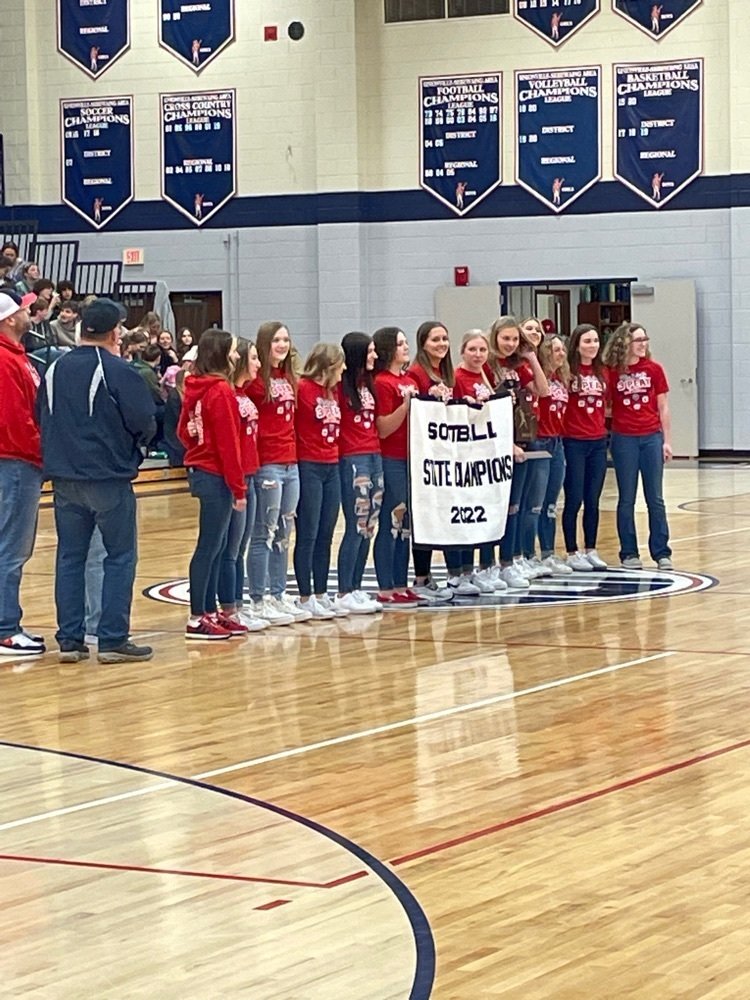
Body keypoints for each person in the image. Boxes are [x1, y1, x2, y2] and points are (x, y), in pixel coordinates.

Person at [37, 298, 157, 663]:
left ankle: (70, 641)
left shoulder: (54, 369)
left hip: (63, 477)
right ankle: (112, 639)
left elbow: (40, 414)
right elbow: (144, 419)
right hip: (107, 476)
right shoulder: (117, 369)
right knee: (120, 557)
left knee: (70, 558)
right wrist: (134, 451)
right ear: (115, 332)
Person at [178, 329, 250, 640]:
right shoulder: (220, 390)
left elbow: (183, 431)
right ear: (221, 355)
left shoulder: (194, 385)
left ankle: (208, 611)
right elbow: (228, 444)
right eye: (233, 351)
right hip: (215, 473)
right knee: (210, 546)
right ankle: (197, 617)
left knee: (216, 546)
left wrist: (197, 447)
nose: (237, 356)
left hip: (201, 469)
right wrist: (239, 487)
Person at [246, 321, 310, 623]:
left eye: (286, 339)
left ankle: (279, 592)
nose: (282, 345)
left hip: (291, 463)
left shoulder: (290, 378)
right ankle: (259, 599)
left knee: (285, 533)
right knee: (264, 533)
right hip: (267, 463)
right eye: (276, 340)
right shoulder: (256, 382)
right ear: (264, 344)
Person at [603, 322, 673, 570]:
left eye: (645, 339)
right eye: (638, 340)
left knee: (655, 498)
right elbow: (605, 405)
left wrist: (667, 441)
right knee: (627, 498)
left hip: (651, 437)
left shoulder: (654, 369)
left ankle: (661, 552)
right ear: (625, 343)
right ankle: (629, 552)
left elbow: (663, 406)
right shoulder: (612, 372)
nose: (643, 344)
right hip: (624, 438)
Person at [486, 316, 549, 589]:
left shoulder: (517, 366)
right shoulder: (487, 366)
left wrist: (531, 357)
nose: (510, 344)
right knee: (498, 506)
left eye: (514, 339)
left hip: (520, 440)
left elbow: (543, 390)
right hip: (495, 444)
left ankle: (509, 561)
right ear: (495, 337)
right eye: (506, 338)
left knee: (515, 506)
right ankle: (491, 564)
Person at [0, 290, 46, 657]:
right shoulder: (5, 360)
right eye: (24, 308)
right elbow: (15, 419)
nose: (30, 312)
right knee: (11, 547)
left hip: (20, 460)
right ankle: (5, 628)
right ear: (10, 318)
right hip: (15, 461)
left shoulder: (17, 356)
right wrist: (42, 451)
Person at [215, 339, 271, 633]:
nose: (258, 364)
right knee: (231, 549)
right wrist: (237, 484)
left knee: (241, 546)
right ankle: (229, 607)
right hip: (236, 478)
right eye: (252, 358)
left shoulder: (244, 393)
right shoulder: (228, 396)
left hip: (251, 474)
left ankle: (238, 605)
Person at [406, 321, 466, 600]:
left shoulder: (447, 372)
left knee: (445, 512)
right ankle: (422, 576)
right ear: (423, 343)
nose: (441, 344)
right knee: (425, 515)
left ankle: (452, 574)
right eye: (435, 340)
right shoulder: (416, 372)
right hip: (424, 455)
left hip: (447, 452)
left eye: (445, 338)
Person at [293, 343, 347, 620]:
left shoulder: (333, 391)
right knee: (309, 533)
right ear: (328, 366)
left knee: (326, 533)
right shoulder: (303, 388)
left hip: (332, 464)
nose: (344, 370)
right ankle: (304, 595)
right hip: (309, 465)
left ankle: (322, 592)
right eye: (340, 365)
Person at [453, 330, 507, 592]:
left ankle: (486, 567)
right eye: (472, 349)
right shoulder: (456, 377)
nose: (477, 355)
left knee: (486, 512)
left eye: (482, 350)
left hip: (487, 454)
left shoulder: (487, 376)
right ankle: (460, 572)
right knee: (464, 515)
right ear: (462, 351)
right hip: (464, 455)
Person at [335, 332, 384, 614]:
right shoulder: (341, 387)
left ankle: (355, 586)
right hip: (353, 457)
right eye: (369, 352)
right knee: (356, 521)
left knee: (370, 524)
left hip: (374, 453)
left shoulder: (368, 383)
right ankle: (344, 590)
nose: (374, 357)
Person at [372, 327, 418, 608]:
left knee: (406, 526)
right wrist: (405, 406)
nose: (405, 347)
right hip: (391, 458)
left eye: (405, 342)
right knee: (392, 520)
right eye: (400, 343)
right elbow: (384, 428)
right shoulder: (382, 382)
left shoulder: (410, 379)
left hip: (413, 458)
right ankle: (385, 585)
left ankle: (401, 582)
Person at [561, 323, 609, 571]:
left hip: (598, 442)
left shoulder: (602, 371)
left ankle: (591, 548)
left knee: (593, 499)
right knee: (574, 498)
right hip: (573, 441)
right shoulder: (568, 372)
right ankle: (572, 551)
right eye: (587, 341)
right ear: (577, 345)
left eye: (595, 341)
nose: (592, 346)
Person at [532, 335, 572, 575]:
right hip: (540, 440)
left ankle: (548, 552)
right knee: (537, 502)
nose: (561, 354)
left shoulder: (562, 379)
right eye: (555, 349)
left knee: (551, 504)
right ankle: (529, 553)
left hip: (557, 441)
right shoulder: (540, 379)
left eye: (562, 350)